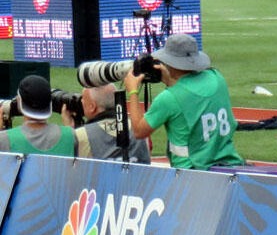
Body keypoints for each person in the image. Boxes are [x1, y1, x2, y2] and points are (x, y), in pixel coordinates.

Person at [123, 33, 244, 170]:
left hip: (190, 173)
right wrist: (171, 82)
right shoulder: (217, 78)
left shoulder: (169, 98)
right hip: (229, 166)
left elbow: (139, 132)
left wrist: (133, 91)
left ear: (171, 62)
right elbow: (190, 97)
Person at [62, 83, 151, 163]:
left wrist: (69, 131)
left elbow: (69, 168)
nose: (81, 102)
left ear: (92, 107)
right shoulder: (139, 129)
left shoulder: (81, 135)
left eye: (83, 99)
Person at [0, 75, 79, 156]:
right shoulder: (71, 135)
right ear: (49, 103)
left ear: (19, 102)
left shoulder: (4, 139)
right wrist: (69, 127)